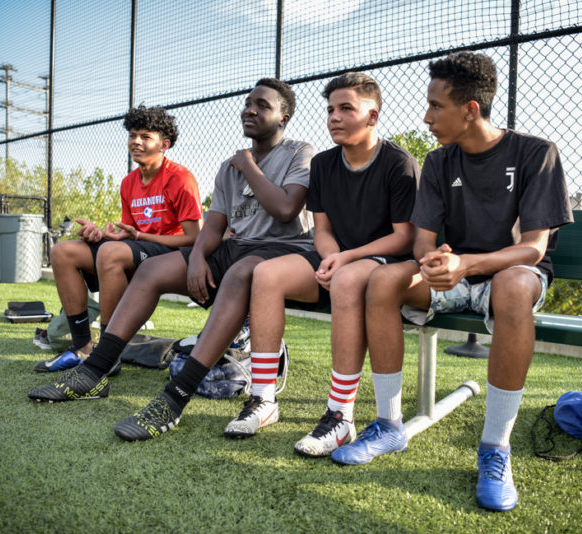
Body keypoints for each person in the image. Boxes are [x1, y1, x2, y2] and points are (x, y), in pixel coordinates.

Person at [342, 52, 573, 512]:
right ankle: (389, 426)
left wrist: (467, 263)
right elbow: (423, 242)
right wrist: (434, 261)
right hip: (456, 274)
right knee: (384, 281)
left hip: (513, 275)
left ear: (470, 109)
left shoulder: (535, 152)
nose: (425, 117)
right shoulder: (439, 161)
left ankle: (494, 449)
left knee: (511, 286)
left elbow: (534, 248)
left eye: (435, 106)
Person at [28, 78, 316, 443]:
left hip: (281, 250)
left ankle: (174, 398)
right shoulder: (229, 167)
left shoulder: (298, 152)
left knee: (240, 275)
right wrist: (196, 259)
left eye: (262, 104)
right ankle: (95, 368)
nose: (250, 109)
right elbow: (212, 227)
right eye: (247, 103)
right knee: (151, 269)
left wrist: (248, 165)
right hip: (235, 247)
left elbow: (287, 209)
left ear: (284, 116)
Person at [222, 72, 420, 452]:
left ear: (373, 116)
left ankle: (340, 415)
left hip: (383, 261)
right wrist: (332, 257)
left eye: (347, 108)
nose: (334, 117)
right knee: (266, 274)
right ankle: (263, 399)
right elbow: (322, 228)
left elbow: (403, 237)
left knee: (346, 280)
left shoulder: (398, 163)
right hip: (335, 258)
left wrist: (343, 260)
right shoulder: (325, 164)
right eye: (330, 109)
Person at [34, 105, 202, 373]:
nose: (136, 141)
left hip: (172, 255)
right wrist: (101, 234)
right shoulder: (128, 182)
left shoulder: (180, 178)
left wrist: (136, 237)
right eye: (133, 135)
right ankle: (82, 349)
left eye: (146, 136)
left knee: (111, 253)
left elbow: (194, 237)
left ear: (164, 144)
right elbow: (129, 234)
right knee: (63, 253)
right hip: (139, 248)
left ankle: (107, 354)